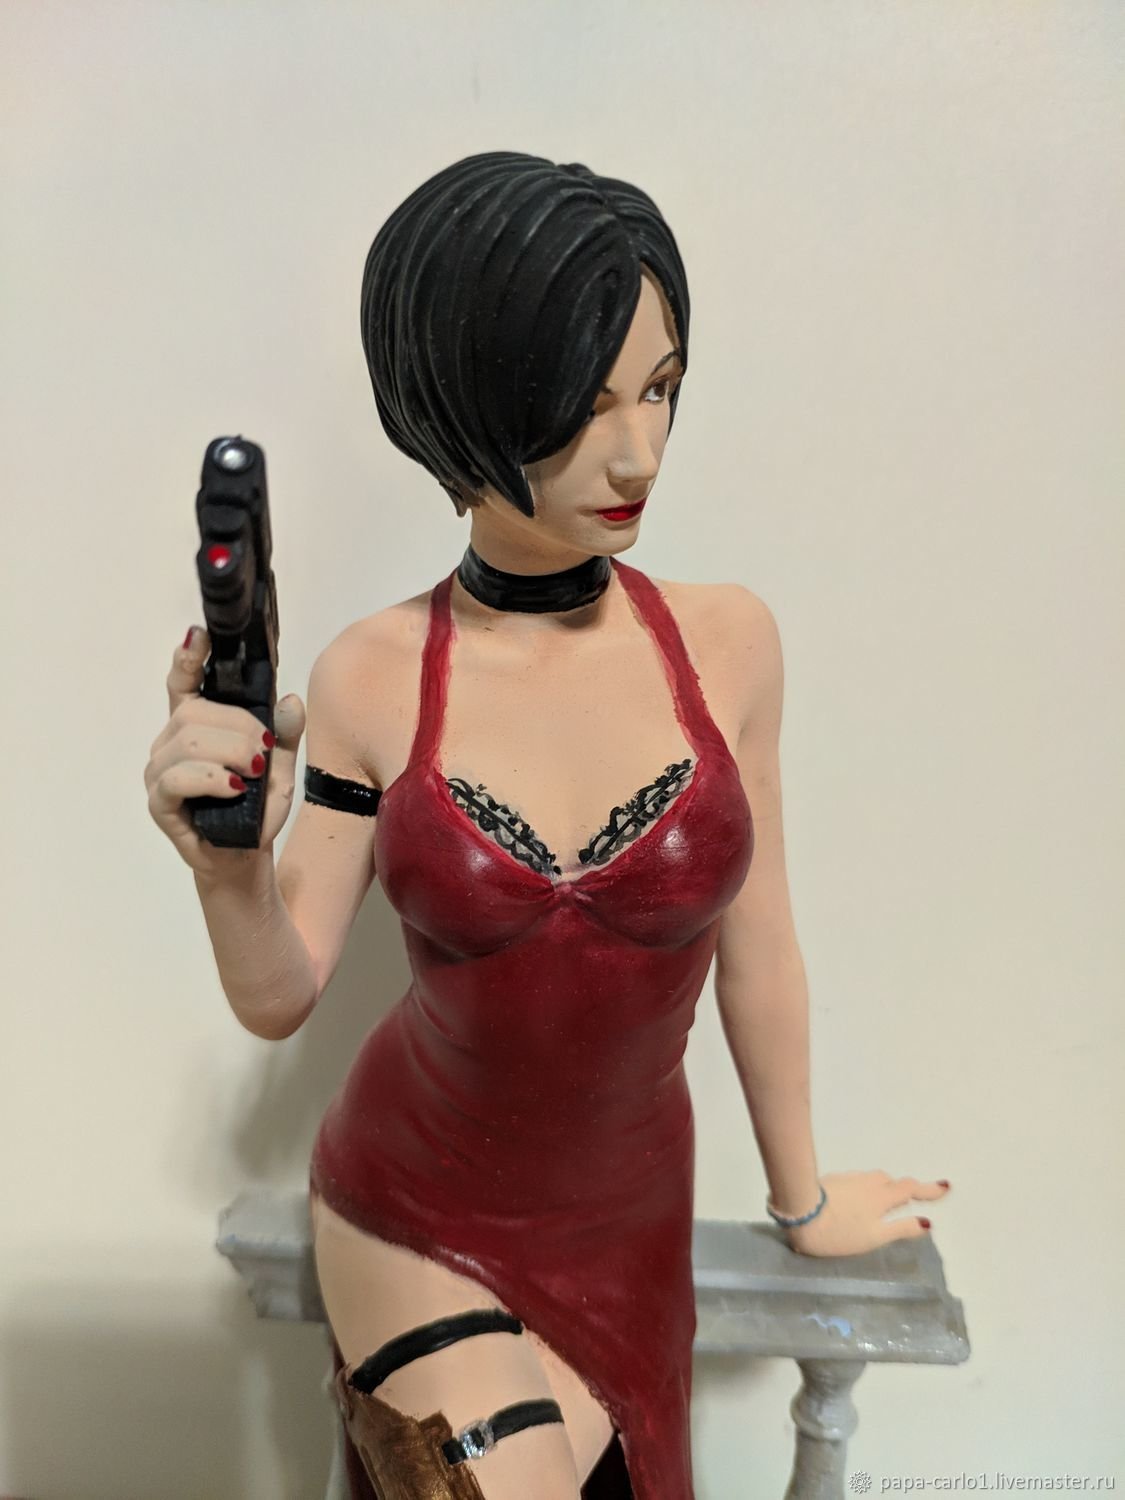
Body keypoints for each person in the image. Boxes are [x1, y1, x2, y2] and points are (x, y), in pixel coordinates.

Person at [145, 151, 950, 1500]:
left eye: (659, 388)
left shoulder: (731, 646)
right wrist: (228, 873)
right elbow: (283, 996)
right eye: (580, 411)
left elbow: (760, 951)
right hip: (414, 1207)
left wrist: (803, 1202)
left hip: (629, 1218)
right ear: (460, 411)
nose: (639, 453)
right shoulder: (371, 676)